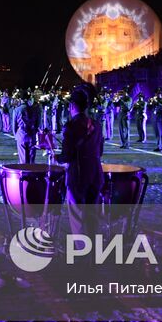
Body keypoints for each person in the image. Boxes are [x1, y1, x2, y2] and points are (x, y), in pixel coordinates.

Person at [55, 84, 104, 236]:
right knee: (93, 216)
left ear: (72, 106)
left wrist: (57, 158)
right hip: (96, 172)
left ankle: (82, 253)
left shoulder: (71, 126)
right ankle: (94, 252)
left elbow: (67, 155)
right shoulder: (96, 124)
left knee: (78, 218)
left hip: (78, 174)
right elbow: (100, 151)